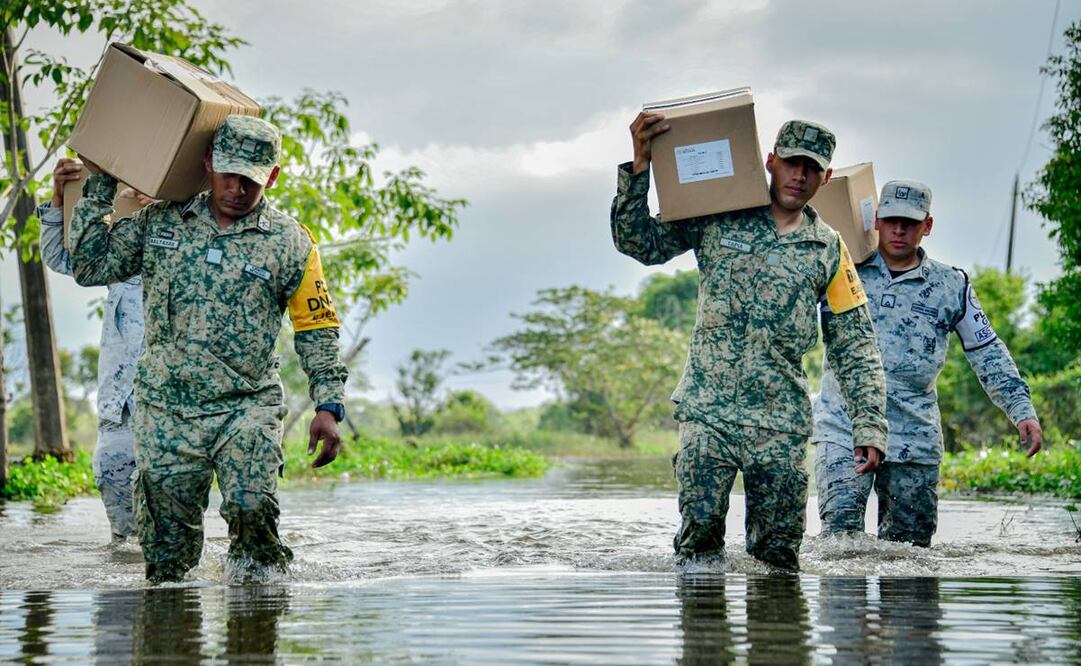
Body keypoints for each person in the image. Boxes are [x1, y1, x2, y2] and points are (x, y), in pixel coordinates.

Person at [68, 115, 349, 583]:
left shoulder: (291, 243)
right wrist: (100, 183)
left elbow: (316, 327)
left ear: (272, 178)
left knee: (252, 510)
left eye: (251, 180)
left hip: (246, 406)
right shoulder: (160, 222)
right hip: (166, 408)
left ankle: (258, 625)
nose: (236, 188)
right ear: (208, 164)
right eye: (228, 174)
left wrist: (328, 405)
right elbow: (91, 265)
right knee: (166, 555)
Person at [611, 114, 887, 570]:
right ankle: (703, 636)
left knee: (777, 556)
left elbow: (855, 343)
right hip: (708, 412)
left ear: (827, 177)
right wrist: (640, 166)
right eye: (792, 163)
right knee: (698, 543)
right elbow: (638, 242)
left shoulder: (830, 249)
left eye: (812, 168)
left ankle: (778, 640)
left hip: (780, 423)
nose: (800, 176)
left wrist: (870, 425)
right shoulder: (719, 214)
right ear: (770, 161)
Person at [813, 180, 1042, 547]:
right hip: (844, 427)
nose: (899, 230)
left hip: (914, 436)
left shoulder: (953, 286)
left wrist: (1021, 409)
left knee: (909, 557)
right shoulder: (841, 270)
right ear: (876, 221)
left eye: (910, 222)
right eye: (891, 220)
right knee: (840, 543)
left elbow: (987, 350)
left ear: (927, 226)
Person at [37, 158, 148, 542]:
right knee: (112, 475)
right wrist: (59, 199)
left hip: (177, 401)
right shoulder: (121, 242)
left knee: (170, 509)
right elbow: (64, 258)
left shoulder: (199, 225)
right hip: (122, 397)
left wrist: (165, 212)